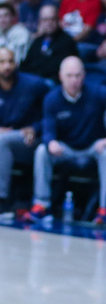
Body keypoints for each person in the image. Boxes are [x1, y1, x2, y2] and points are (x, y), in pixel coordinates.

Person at [31, 56, 106, 225]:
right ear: (61, 76)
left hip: (93, 146)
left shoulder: (96, 92)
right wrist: (50, 142)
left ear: (84, 76)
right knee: (42, 151)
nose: (74, 80)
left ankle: (105, 208)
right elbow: (48, 128)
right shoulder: (52, 98)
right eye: (69, 76)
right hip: (66, 148)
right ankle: (41, 205)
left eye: (77, 75)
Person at [0, 47, 47, 212]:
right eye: (2, 62)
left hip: (30, 140)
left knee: (2, 141)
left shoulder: (33, 85)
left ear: (17, 63)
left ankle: (2, 201)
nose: (7, 66)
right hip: (5, 138)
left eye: (10, 61)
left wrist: (35, 128)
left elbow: (52, 112)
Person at [20, 5, 79, 81]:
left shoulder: (67, 41)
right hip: (34, 79)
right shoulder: (37, 41)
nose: (49, 23)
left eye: (52, 19)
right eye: (45, 20)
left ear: (58, 20)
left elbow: (57, 68)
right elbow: (26, 63)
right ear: (40, 22)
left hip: (53, 82)